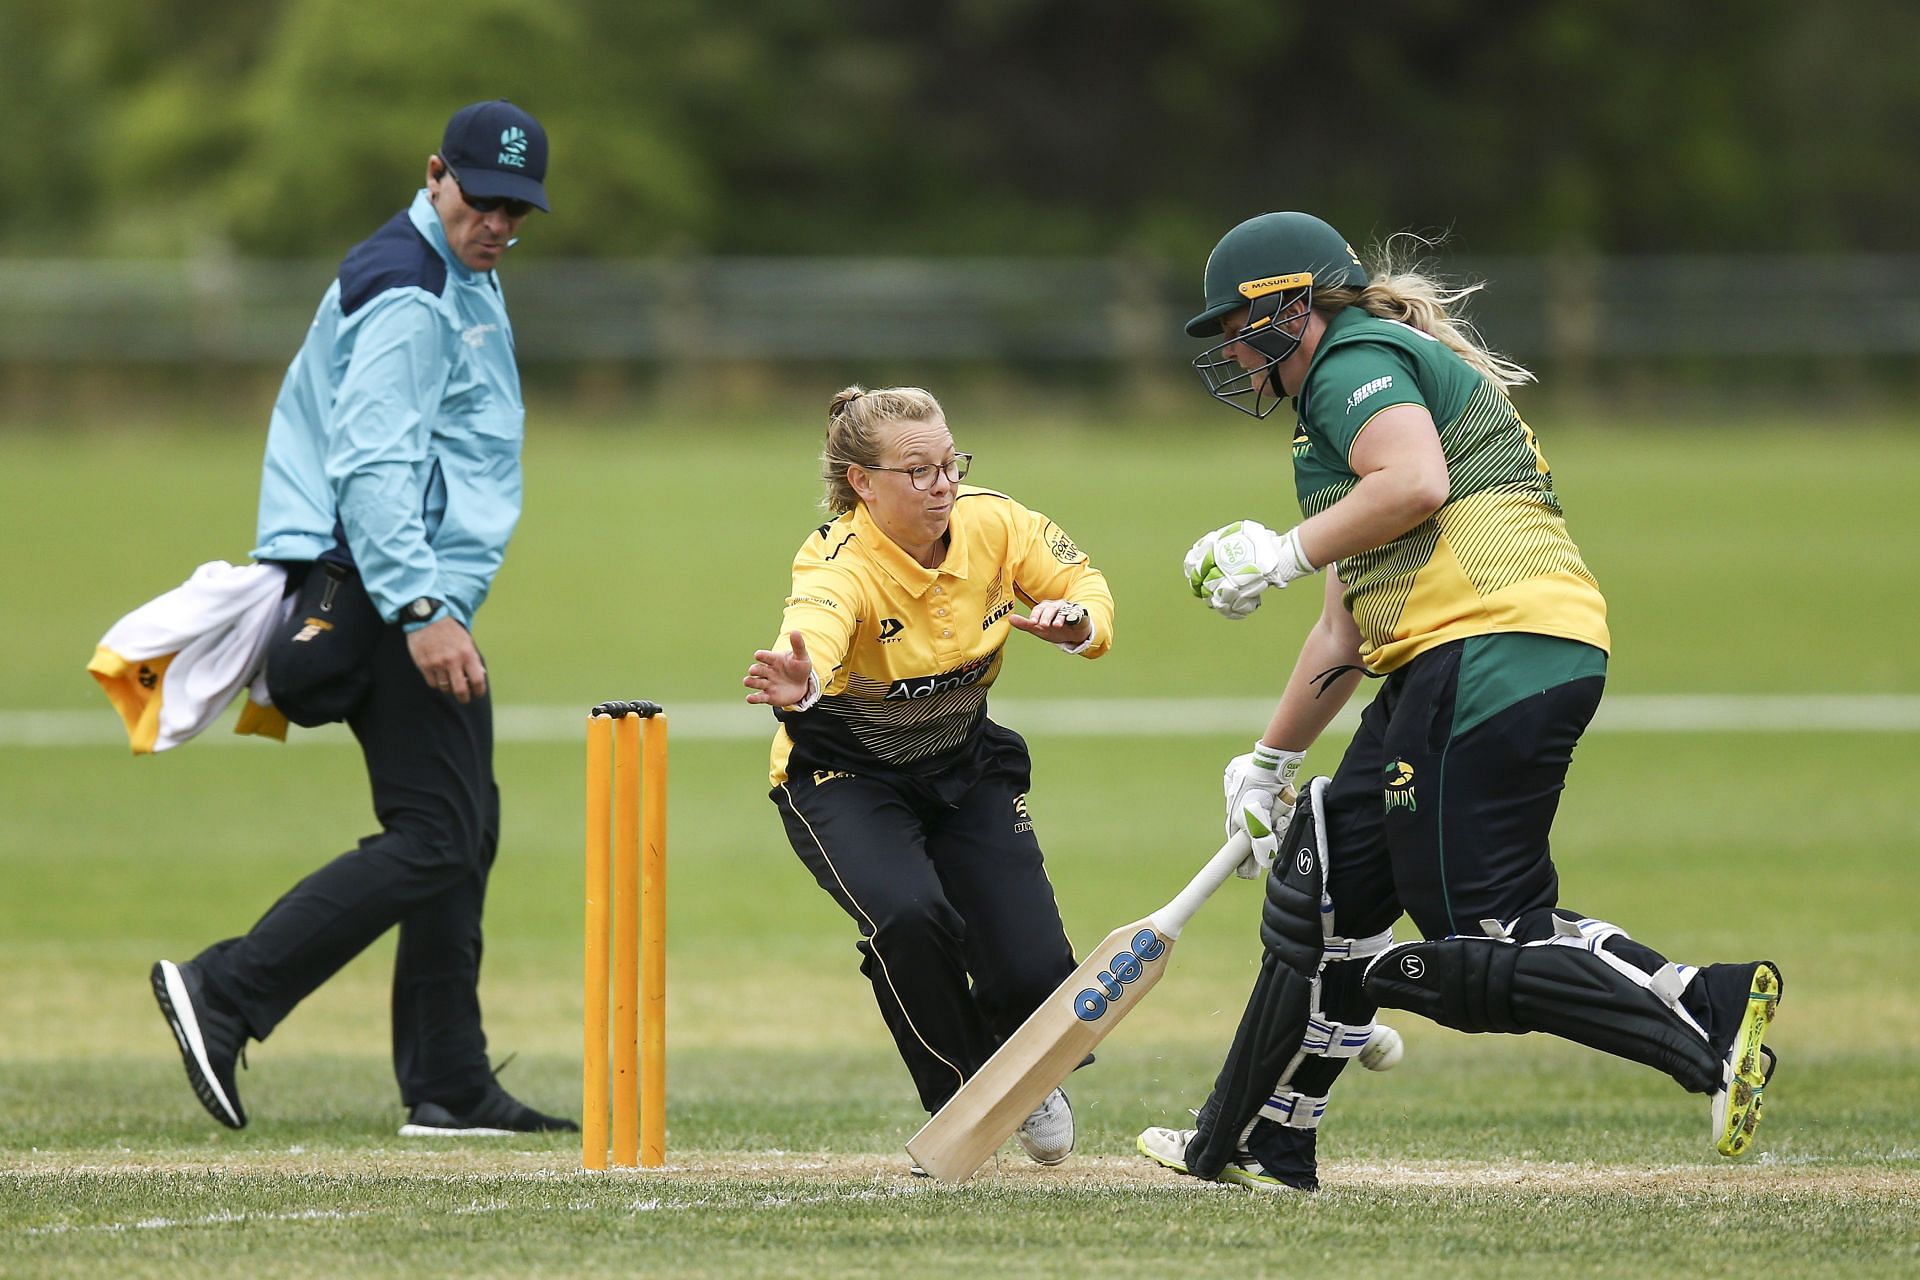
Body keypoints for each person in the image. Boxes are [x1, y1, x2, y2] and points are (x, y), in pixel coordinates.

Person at [1135, 212, 1783, 1191]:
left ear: (1293, 308)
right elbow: (1342, 635)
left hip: (1489, 644)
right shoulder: (1334, 418)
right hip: (1462, 653)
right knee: (1328, 880)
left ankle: (1703, 1035)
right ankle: (1253, 1137)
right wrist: (1266, 760)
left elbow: (1416, 481)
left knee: (1477, 938)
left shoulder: (1356, 360)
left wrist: (1281, 551)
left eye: (1236, 322)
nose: (1229, 346)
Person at [149, 100, 575, 1138]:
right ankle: (227, 990)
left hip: (420, 585)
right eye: (483, 200)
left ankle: (449, 1079)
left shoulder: (458, 269)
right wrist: (423, 606)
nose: (500, 224)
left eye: (520, 209)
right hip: (388, 585)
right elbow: (373, 462)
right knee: (436, 836)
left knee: (464, 828)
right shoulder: (410, 288)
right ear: (437, 174)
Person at [742, 385, 1116, 1169]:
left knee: (1035, 967)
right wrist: (800, 682)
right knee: (911, 920)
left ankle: (1022, 1064)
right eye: (917, 471)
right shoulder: (836, 559)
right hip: (844, 776)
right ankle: (967, 1088)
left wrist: (1075, 622)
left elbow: (1085, 587)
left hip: (965, 766)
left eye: (949, 463)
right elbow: (816, 620)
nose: (942, 484)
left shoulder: (996, 520)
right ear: (862, 483)